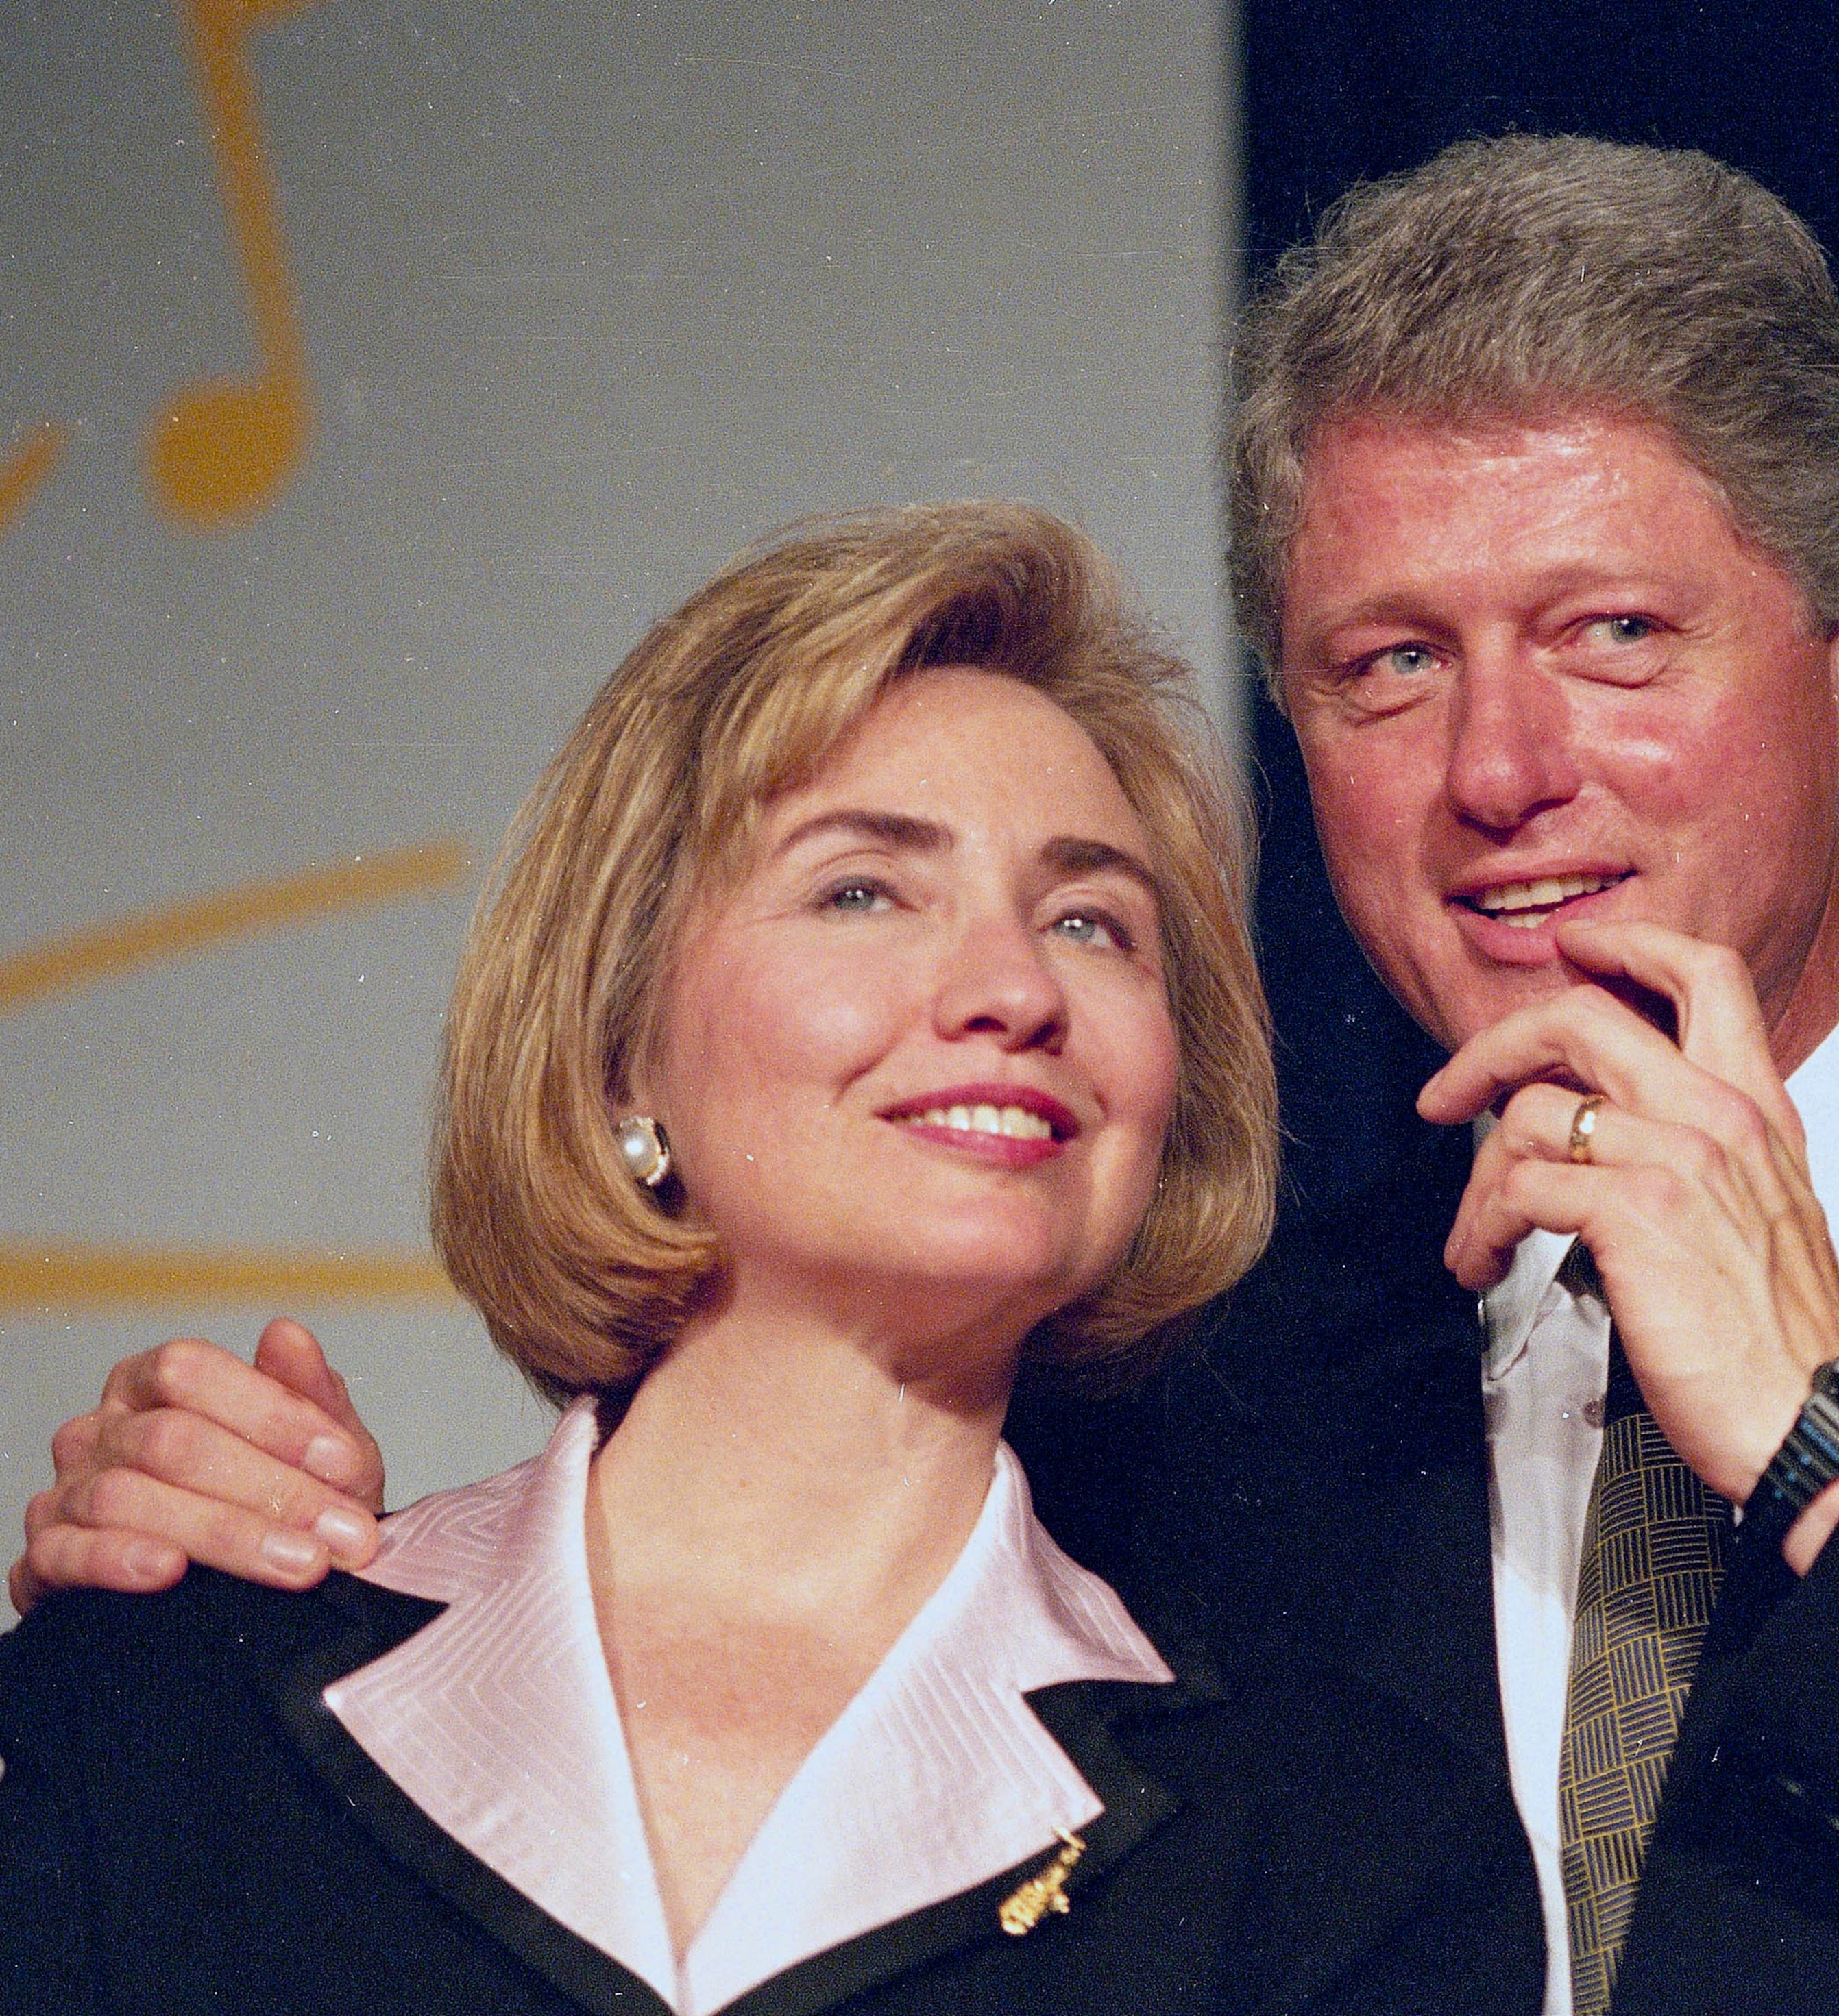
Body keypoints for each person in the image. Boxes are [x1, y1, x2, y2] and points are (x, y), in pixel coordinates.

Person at [20, 136, 1839, 2013]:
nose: (1503, 769)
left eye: (1614, 634)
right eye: (1391, 665)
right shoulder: (1168, 1395)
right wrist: (204, 1543)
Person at [0, 503, 1542, 2015]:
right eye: (862, 889)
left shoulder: (1346, 1854)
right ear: (622, 1050)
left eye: (1090, 922)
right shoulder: (146, 1704)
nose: (1012, 986)